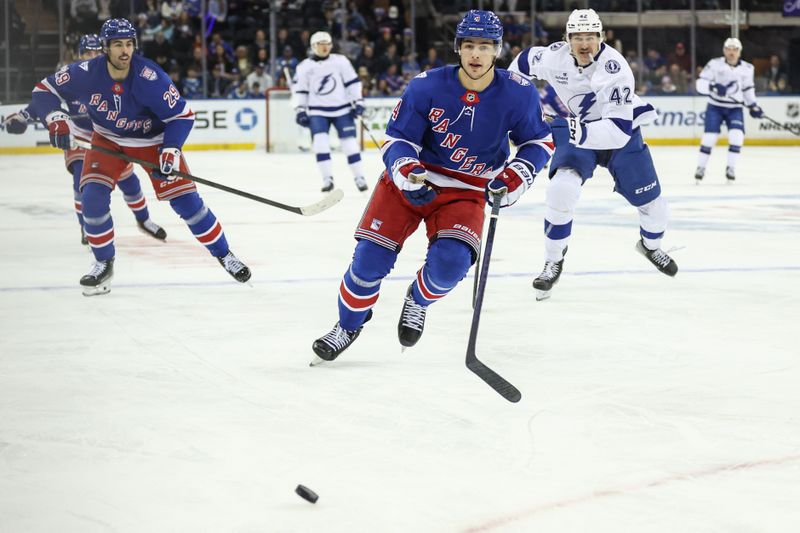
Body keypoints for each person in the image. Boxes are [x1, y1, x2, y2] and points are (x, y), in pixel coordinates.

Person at [311, 10, 553, 364]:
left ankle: (417, 300)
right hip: (412, 183)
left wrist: (516, 175)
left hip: (467, 191)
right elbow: (397, 139)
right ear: (457, 47)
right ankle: (348, 325)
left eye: (485, 47)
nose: (476, 55)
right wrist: (406, 171)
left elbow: (539, 143)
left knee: (451, 264)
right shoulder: (426, 85)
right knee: (368, 263)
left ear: (497, 51)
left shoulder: (519, 93)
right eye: (469, 45)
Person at [29, 18, 251, 296]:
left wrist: (171, 149)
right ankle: (102, 263)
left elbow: (182, 116)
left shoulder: (151, 78)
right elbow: (43, 90)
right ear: (105, 47)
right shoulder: (85, 72)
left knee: (188, 206)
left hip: (153, 143)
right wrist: (55, 118)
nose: (125, 51)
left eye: (129, 44)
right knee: (92, 199)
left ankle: (224, 254)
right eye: (118, 44)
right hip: (108, 140)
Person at [509, 9, 678, 302]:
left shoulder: (616, 69)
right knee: (561, 189)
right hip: (578, 128)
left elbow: (619, 131)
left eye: (591, 37)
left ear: (601, 37)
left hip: (616, 133)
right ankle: (553, 260)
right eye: (577, 37)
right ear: (567, 39)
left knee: (655, 206)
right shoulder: (553, 56)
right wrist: (514, 103)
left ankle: (651, 246)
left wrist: (577, 131)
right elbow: (521, 63)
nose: (584, 44)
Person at [2, 34, 167, 246]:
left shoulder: (114, 74)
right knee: (82, 179)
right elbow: (45, 99)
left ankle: (144, 220)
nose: (91, 56)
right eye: (86, 53)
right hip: (79, 137)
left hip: (109, 138)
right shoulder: (75, 77)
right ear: (79, 55)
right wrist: (22, 117)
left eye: (95, 52)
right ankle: (87, 226)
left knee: (130, 183)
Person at [293, 31, 368, 193]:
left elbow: (352, 83)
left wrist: (358, 102)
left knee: (350, 144)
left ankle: (359, 177)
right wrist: (300, 110)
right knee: (320, 144)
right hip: (317, 111)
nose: (325, 47)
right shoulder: (304, 67)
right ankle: (327, 179)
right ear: (313, 46)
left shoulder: (340, 61)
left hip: (342, 109)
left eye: (327, 43)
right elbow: (300, 90)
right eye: (320, 44)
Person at [694, 38, 763, 183]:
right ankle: (701, 167)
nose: (731, 52)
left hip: (735, 108)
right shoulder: (714, 64)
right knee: (709, 137)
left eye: (735, 49)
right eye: (729, 49)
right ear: (724, 50)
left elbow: (748, 88)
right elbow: (700, 83)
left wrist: (753, 105)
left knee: (737, 136)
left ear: (739, 52)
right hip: (715, 106)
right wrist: (712, 86)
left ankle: (730, 168)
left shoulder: (747, 68)